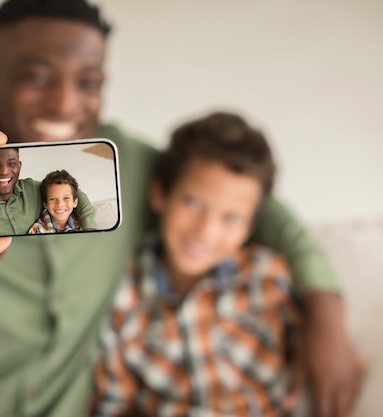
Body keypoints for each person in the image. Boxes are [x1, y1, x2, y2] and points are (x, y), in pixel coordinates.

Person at [0, 1, 361, 416]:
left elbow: (259, 207)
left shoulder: (124, 163)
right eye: (37, 75)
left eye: (88, 81)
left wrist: (326, 313)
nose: (66, 102)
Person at [92, 112, 304, 416]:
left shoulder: (269, 278)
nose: (206, 231)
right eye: (192, 203)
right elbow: (113, 404)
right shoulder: (122, 294)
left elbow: (319, 360)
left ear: (250, 227)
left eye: (231, 218)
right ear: (159, 194)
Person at [0, 148, 95, 237]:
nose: (4, 171)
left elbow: (75, 193)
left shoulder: (33, 189)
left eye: (12, 164)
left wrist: (89, 229)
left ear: (19, 166)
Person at [28, 169, 84, 234]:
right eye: (53, 199)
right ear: (45, 204)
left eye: (66, 198)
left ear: (75, 202)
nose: (60, 204)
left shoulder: (81, 228)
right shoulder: (37, 230)